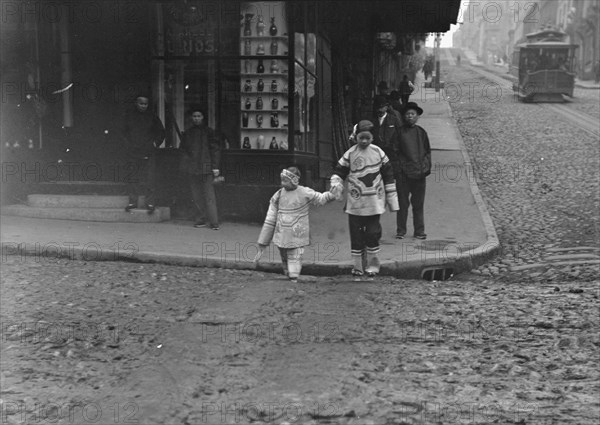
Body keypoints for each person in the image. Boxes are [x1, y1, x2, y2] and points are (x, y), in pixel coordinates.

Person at [330, 120, 399, 278]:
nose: (364, 141)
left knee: (372, 234)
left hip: (374, 203)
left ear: (372, 138)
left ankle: (373, 265)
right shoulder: (350, 153)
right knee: (356, 237)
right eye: (361, 137)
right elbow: (339, 171)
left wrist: (392, 200)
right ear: (356, 137)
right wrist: (336, 185)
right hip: (355, 204)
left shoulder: (378, 153)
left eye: (367, 138)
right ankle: (358, 267)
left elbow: (389, 175)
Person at [254, 166, 335, 282]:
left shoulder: (304, 192)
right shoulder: (278, 194)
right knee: (283, 254)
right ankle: (287, 272)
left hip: (297, 232)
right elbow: (271, 214)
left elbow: (320, 198)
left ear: (294, 180)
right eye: (282, 180)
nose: (283, 183)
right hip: (281, 231)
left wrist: (331, 195)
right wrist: (264, 237)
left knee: (295, 254)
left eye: (285, 181)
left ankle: (293, 275)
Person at [121, 93, 165, 213]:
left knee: (150, 178)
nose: (143, 106)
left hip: (149, 152)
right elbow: (123, 133)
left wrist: (155, 144)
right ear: (136, 103)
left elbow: (161, 132)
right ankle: (132, 201)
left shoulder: (152, 116)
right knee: (133, 177)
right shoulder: (129, 116)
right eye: (141, 103)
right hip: (133, 152)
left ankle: (150, 203)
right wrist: (128, 146)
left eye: (145, 104)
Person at [179, 106, 222, 230]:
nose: (196, 118)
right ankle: (200, 220)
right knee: (196, 195)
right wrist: (187, 164)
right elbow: (184, 151)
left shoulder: (209, 132)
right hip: (193, 167)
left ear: (203, 118)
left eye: (199, 116)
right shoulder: (188, 133)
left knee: (209, 196)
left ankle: (214, 222)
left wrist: (215, 166)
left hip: (206, 166)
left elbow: (215, 150)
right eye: (194, 116)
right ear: (191, 118)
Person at [395, 102, 431, 240]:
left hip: (419, 174)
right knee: (402, 204)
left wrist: (425, 167)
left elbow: (427, 152)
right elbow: (395, 151)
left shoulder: (421, 133)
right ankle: (401, 230)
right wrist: (400, 169)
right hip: (404, 174)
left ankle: (419, 231)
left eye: (413, 114)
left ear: (417, 117)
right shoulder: (399, 132)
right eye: (408, 114)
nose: (410, 116)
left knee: (418, 204)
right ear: (404, 117)